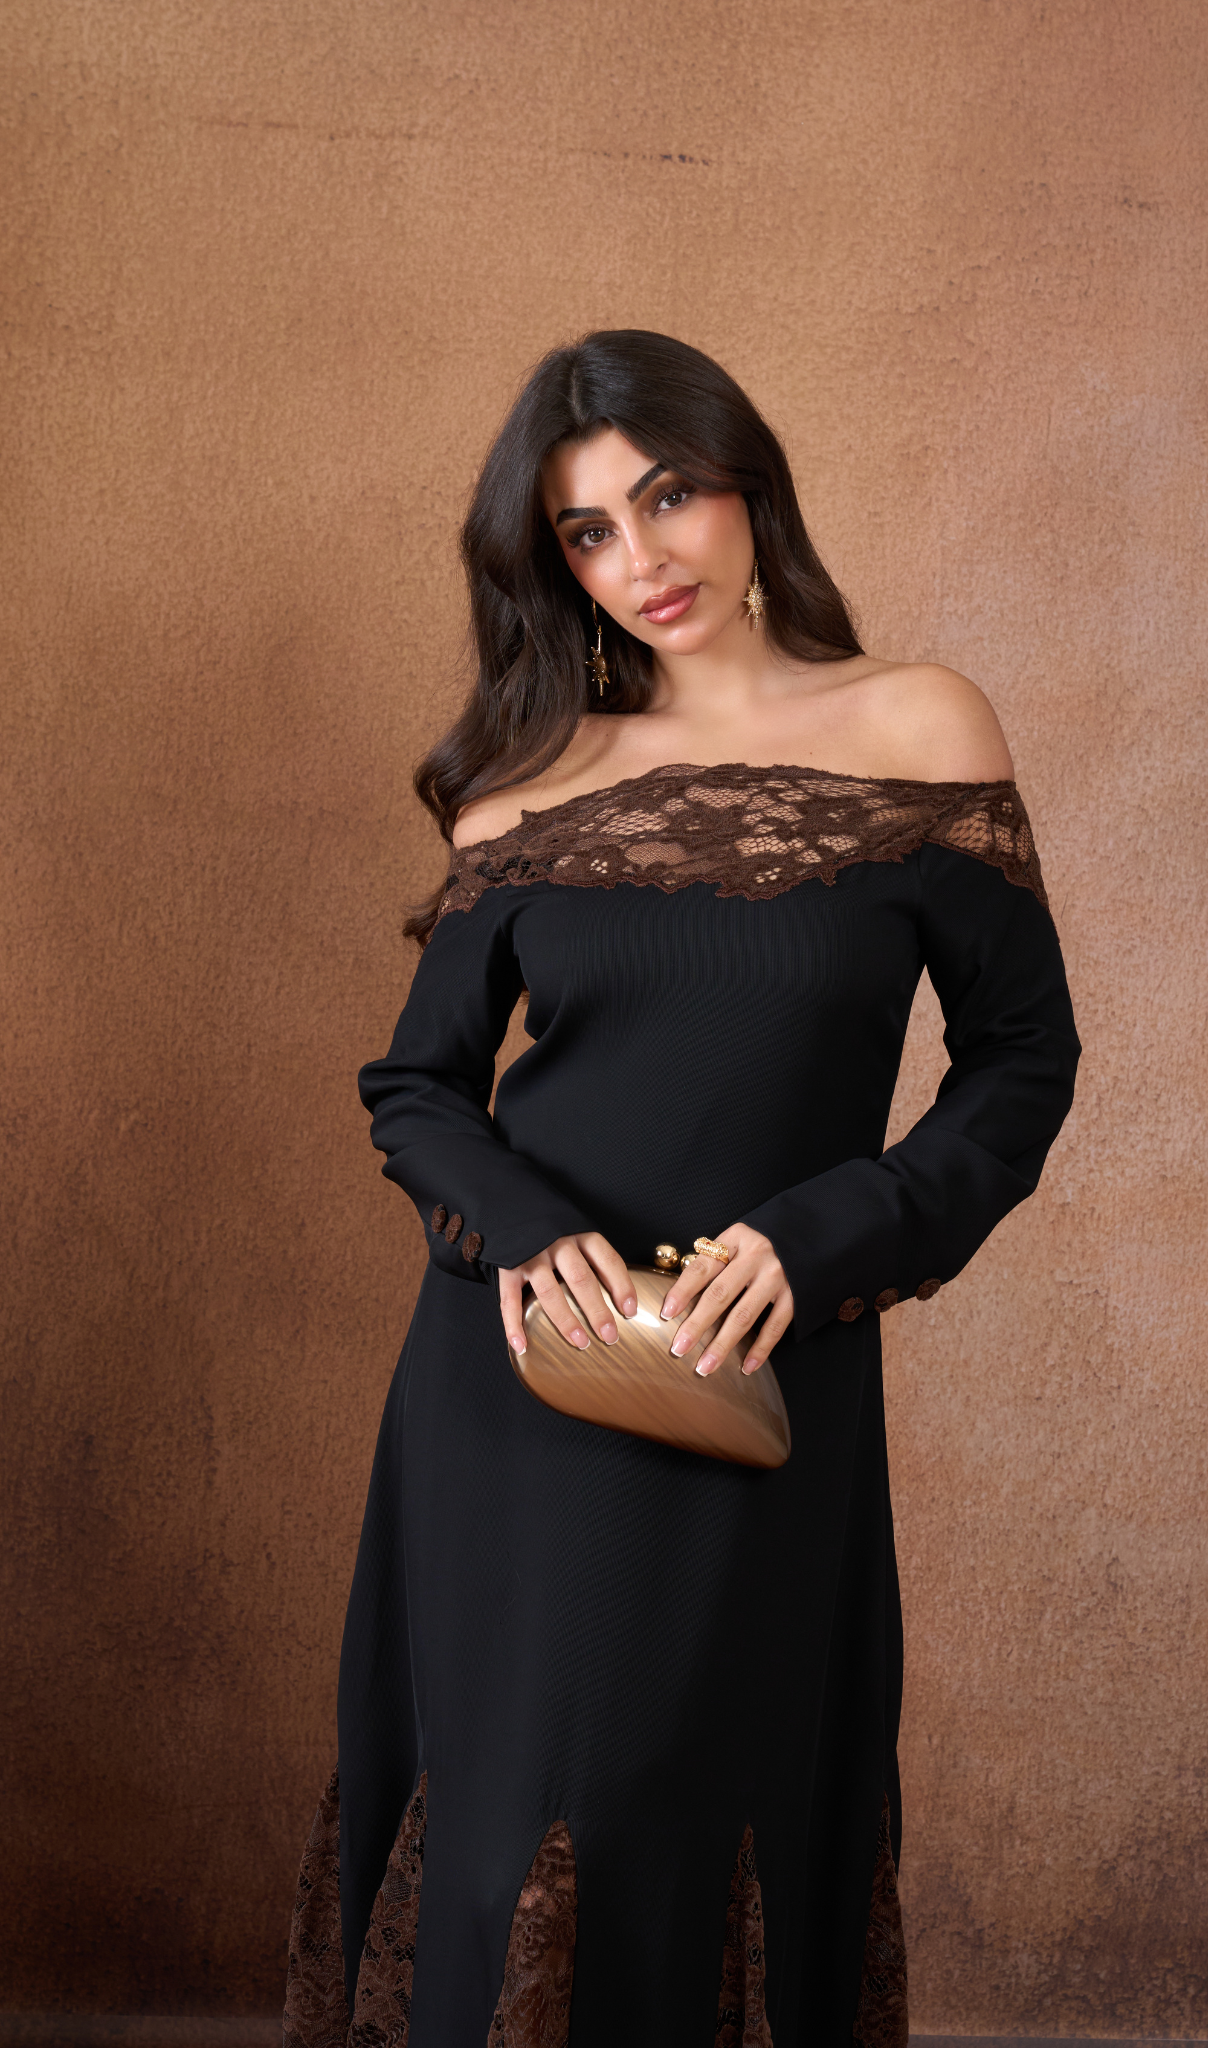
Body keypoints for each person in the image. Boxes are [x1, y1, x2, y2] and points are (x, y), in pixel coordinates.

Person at [282, 329, 1080, 2048]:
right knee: (516, 1827)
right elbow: (418, 1089)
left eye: (668, 498)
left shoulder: (919, 727)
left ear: (747, 486)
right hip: (518, 1375)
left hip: (754, 1371)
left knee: (702, 1806)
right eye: (587, 531)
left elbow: (1023, 1065)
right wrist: (526, 1229)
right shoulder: (527, 783)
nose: (640, 559)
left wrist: (824, 1238)